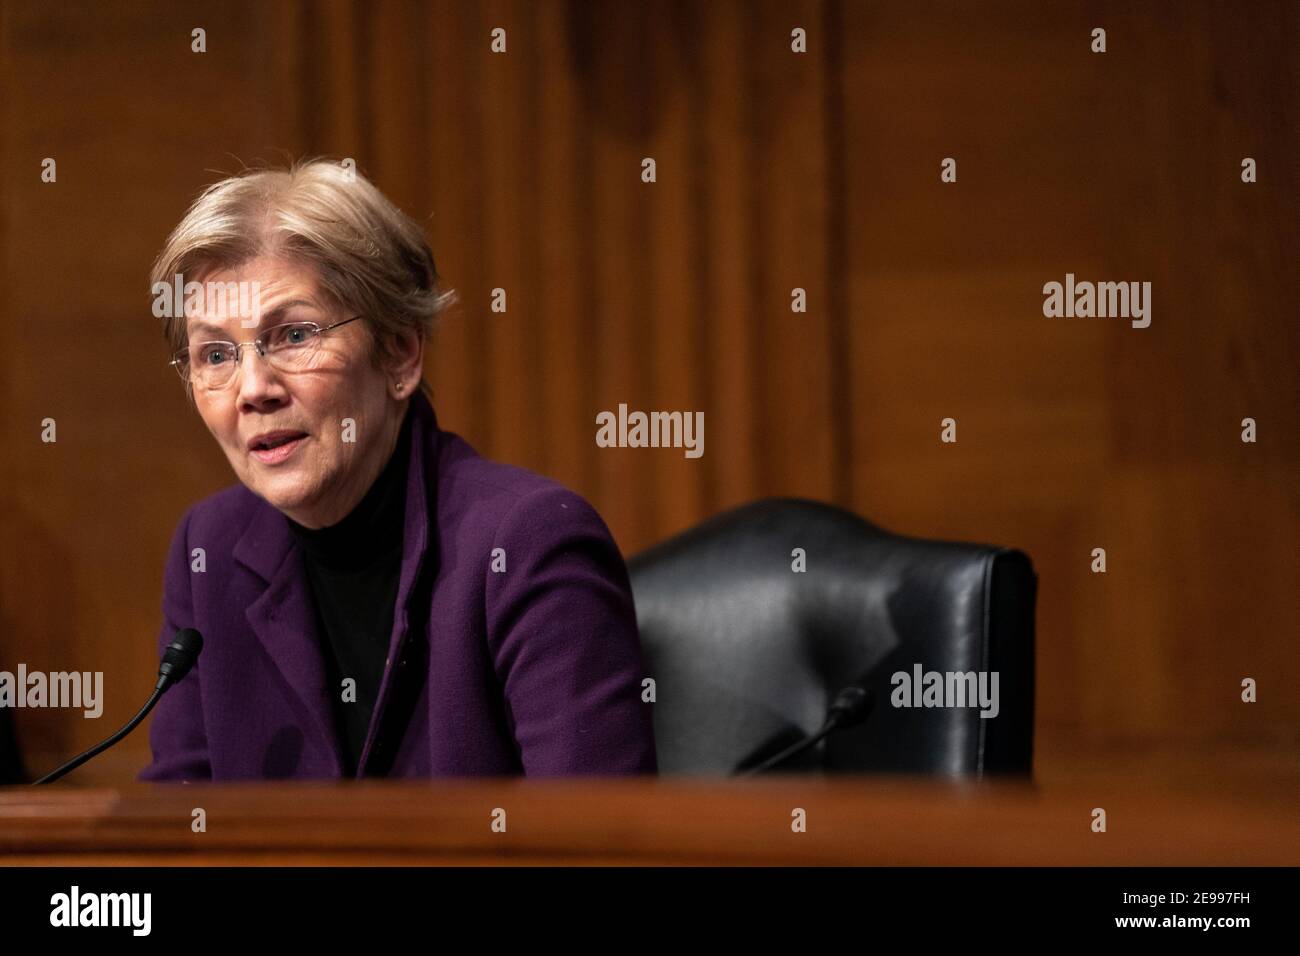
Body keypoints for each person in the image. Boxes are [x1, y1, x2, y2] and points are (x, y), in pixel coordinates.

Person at [138, 158, 656, 780]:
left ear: (400, 354)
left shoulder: (528, 544)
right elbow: (178, 827)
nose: (253, 388)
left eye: (295, 335)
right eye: (215, 354)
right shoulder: (209, 551)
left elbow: (594, 848)